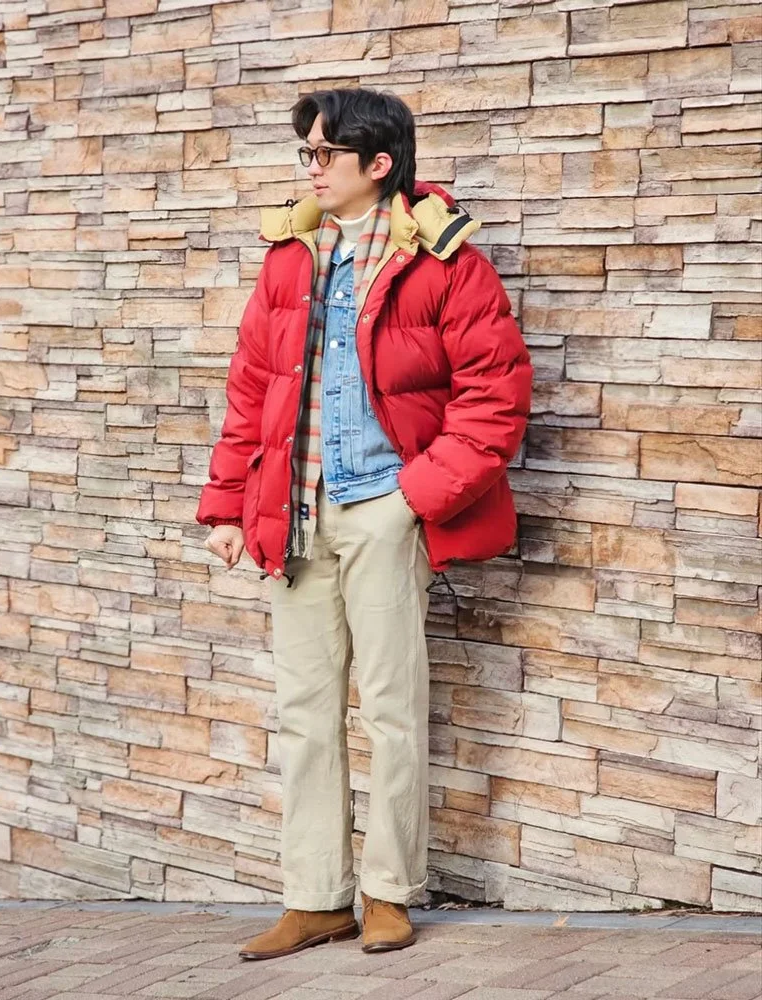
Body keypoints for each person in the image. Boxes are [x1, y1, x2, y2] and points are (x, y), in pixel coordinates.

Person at [196, 87, 533, 960]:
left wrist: (413, 501)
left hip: (385, 509)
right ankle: (315, 899)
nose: (310, 167)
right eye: (305, 152)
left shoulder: (444, 261)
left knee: (390, 708)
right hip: (295, 516)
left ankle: (388, 891)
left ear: (378, 164)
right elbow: (250, 391)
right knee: (305, 713)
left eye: (325, 153)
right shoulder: (290, 256)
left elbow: (495, 396)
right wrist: (228, 505)